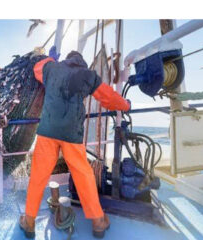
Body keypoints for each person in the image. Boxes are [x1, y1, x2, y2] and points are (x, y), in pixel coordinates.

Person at [19, 46, 131, 239]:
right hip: (72, 134)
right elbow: (108, 98)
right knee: (83, 175)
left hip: (47, 132)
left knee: (38, 175)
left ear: (67, 60)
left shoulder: (51, 68)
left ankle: (29, 222)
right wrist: (126, 105)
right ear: (82, 63)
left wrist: (49, 59)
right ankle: (98, 221)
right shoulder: (88, 75)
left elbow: (37, 67)